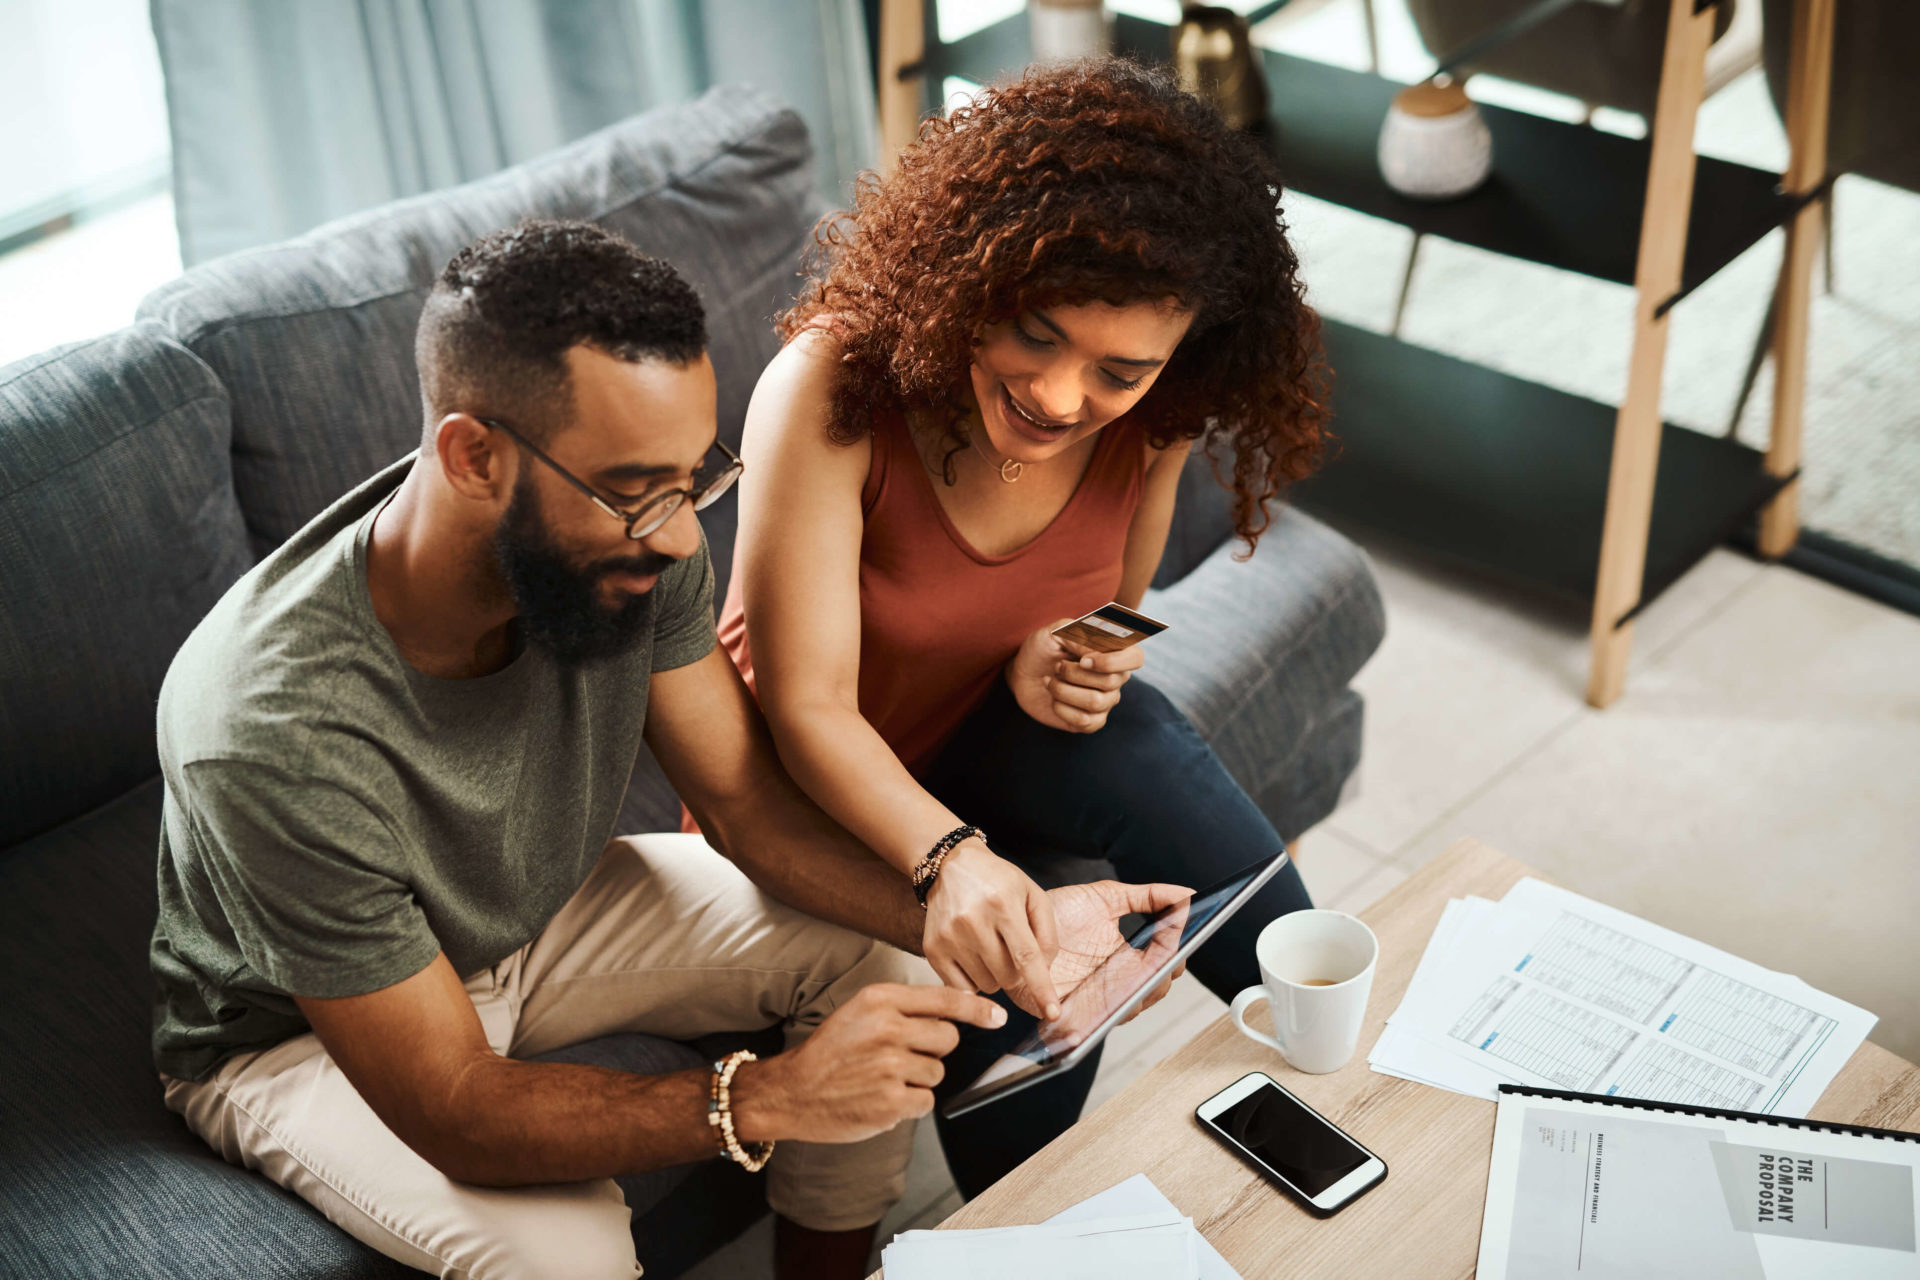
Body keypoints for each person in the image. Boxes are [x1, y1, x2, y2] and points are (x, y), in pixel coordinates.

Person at [148, 219, 1181, 1280]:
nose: (688, 537)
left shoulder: (642, 531)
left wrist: (1021, 927)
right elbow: (452, 1102)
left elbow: (750, 809)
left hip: (531, 910)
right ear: (474, 456)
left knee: (886, 949)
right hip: (297, 1030)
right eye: (640, 490)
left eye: (696, 479)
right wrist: (768, 1094)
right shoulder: (270, 729)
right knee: (572, 1253)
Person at [717, 58, 1333, 1196]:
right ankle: (1032, 1214)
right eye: (1037, 333)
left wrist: (1063, 657)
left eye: (1119, 368)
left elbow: (1113, 607)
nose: (1059, 396)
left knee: (1134, 735)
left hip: (985, 739)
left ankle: (1345, 1051)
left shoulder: (1158, 414)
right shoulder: (836, 386)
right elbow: (803, 708)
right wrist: (953, 859)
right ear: (974, 273)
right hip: (825, 789)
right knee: (1023, 954)